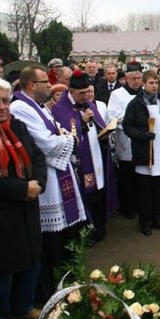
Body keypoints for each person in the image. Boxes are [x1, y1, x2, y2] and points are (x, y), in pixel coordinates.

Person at [0, 77, 46, 319]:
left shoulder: (18, 127)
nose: (3, 106)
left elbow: (37, 157)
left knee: (31, 262)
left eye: (6, 101)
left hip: (26, 209)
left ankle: (23, 306)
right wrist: (23, 188)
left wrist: (38, 183)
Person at [10, 66, 87, 302]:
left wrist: (64, 136)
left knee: (64, 237)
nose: (50, 85)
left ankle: (65, 284)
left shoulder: (39, 104)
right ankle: (48, 293)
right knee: (49, 242)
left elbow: (55, 130)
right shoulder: (19, 107)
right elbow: (45, 142)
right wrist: (69, 138)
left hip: (58, 174)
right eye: (45, 81)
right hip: (46, 181)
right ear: (32, 85)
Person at [52, 70, 118, 243]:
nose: (86, 96)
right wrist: (81, 122)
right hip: (81, 160)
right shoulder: (61, 109)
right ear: (71, 91)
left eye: (88, 92)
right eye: (81, 93)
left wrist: (104, 133)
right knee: (87, 194)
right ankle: (87, 232)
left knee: (99, 191)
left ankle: (100, 226)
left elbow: (98, 125)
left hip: (96, 154)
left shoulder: (89, 104)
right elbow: (65, 136)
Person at [123, 71, 160, 235]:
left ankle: (158, 219)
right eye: (151, 83)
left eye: (156, 83)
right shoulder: (135, 103)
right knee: (145, 190)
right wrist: (142, 136)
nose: (154, 86)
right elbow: (127, 126)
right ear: (144, 84)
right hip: (145, 151)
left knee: (159, 189)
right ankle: (145, 222)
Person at [107, 63, 143, 219]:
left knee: (142, 174)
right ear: (126, 79)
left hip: (143, 138)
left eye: (139, 78)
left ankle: (141, 205)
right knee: (127, 175)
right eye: (133, 78)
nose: (136, 81)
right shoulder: (117, 94)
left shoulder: (146, 93)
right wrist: (131, 118)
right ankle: (127, 207)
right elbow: (112, 115)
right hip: (126, 139)